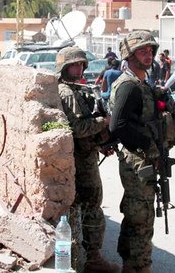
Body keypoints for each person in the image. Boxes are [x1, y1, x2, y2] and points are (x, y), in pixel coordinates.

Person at [56, 46, 121, 273]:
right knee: (92, 205)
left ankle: (82, 257)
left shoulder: (73, 89)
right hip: (81, 161)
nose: (79, 68)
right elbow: (78, 128)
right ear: (64, 67)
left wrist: (101, 143)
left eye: (81, 64)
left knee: (82, 207)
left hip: (83, 155)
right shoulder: (67, 93)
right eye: (74, 65)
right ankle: (92, 259)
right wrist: (103, 122)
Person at [108, 30, 162, 273]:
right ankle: (138, 266)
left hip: (142, 158)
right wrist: (147, 146)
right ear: (129, 56)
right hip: (137, 160)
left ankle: (133, 264)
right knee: (141, 216)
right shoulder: (129, 86)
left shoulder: (141, 84)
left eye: (150, 50)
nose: (148, 54)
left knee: (136, 213)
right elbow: (117, 125)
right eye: (142, 51)